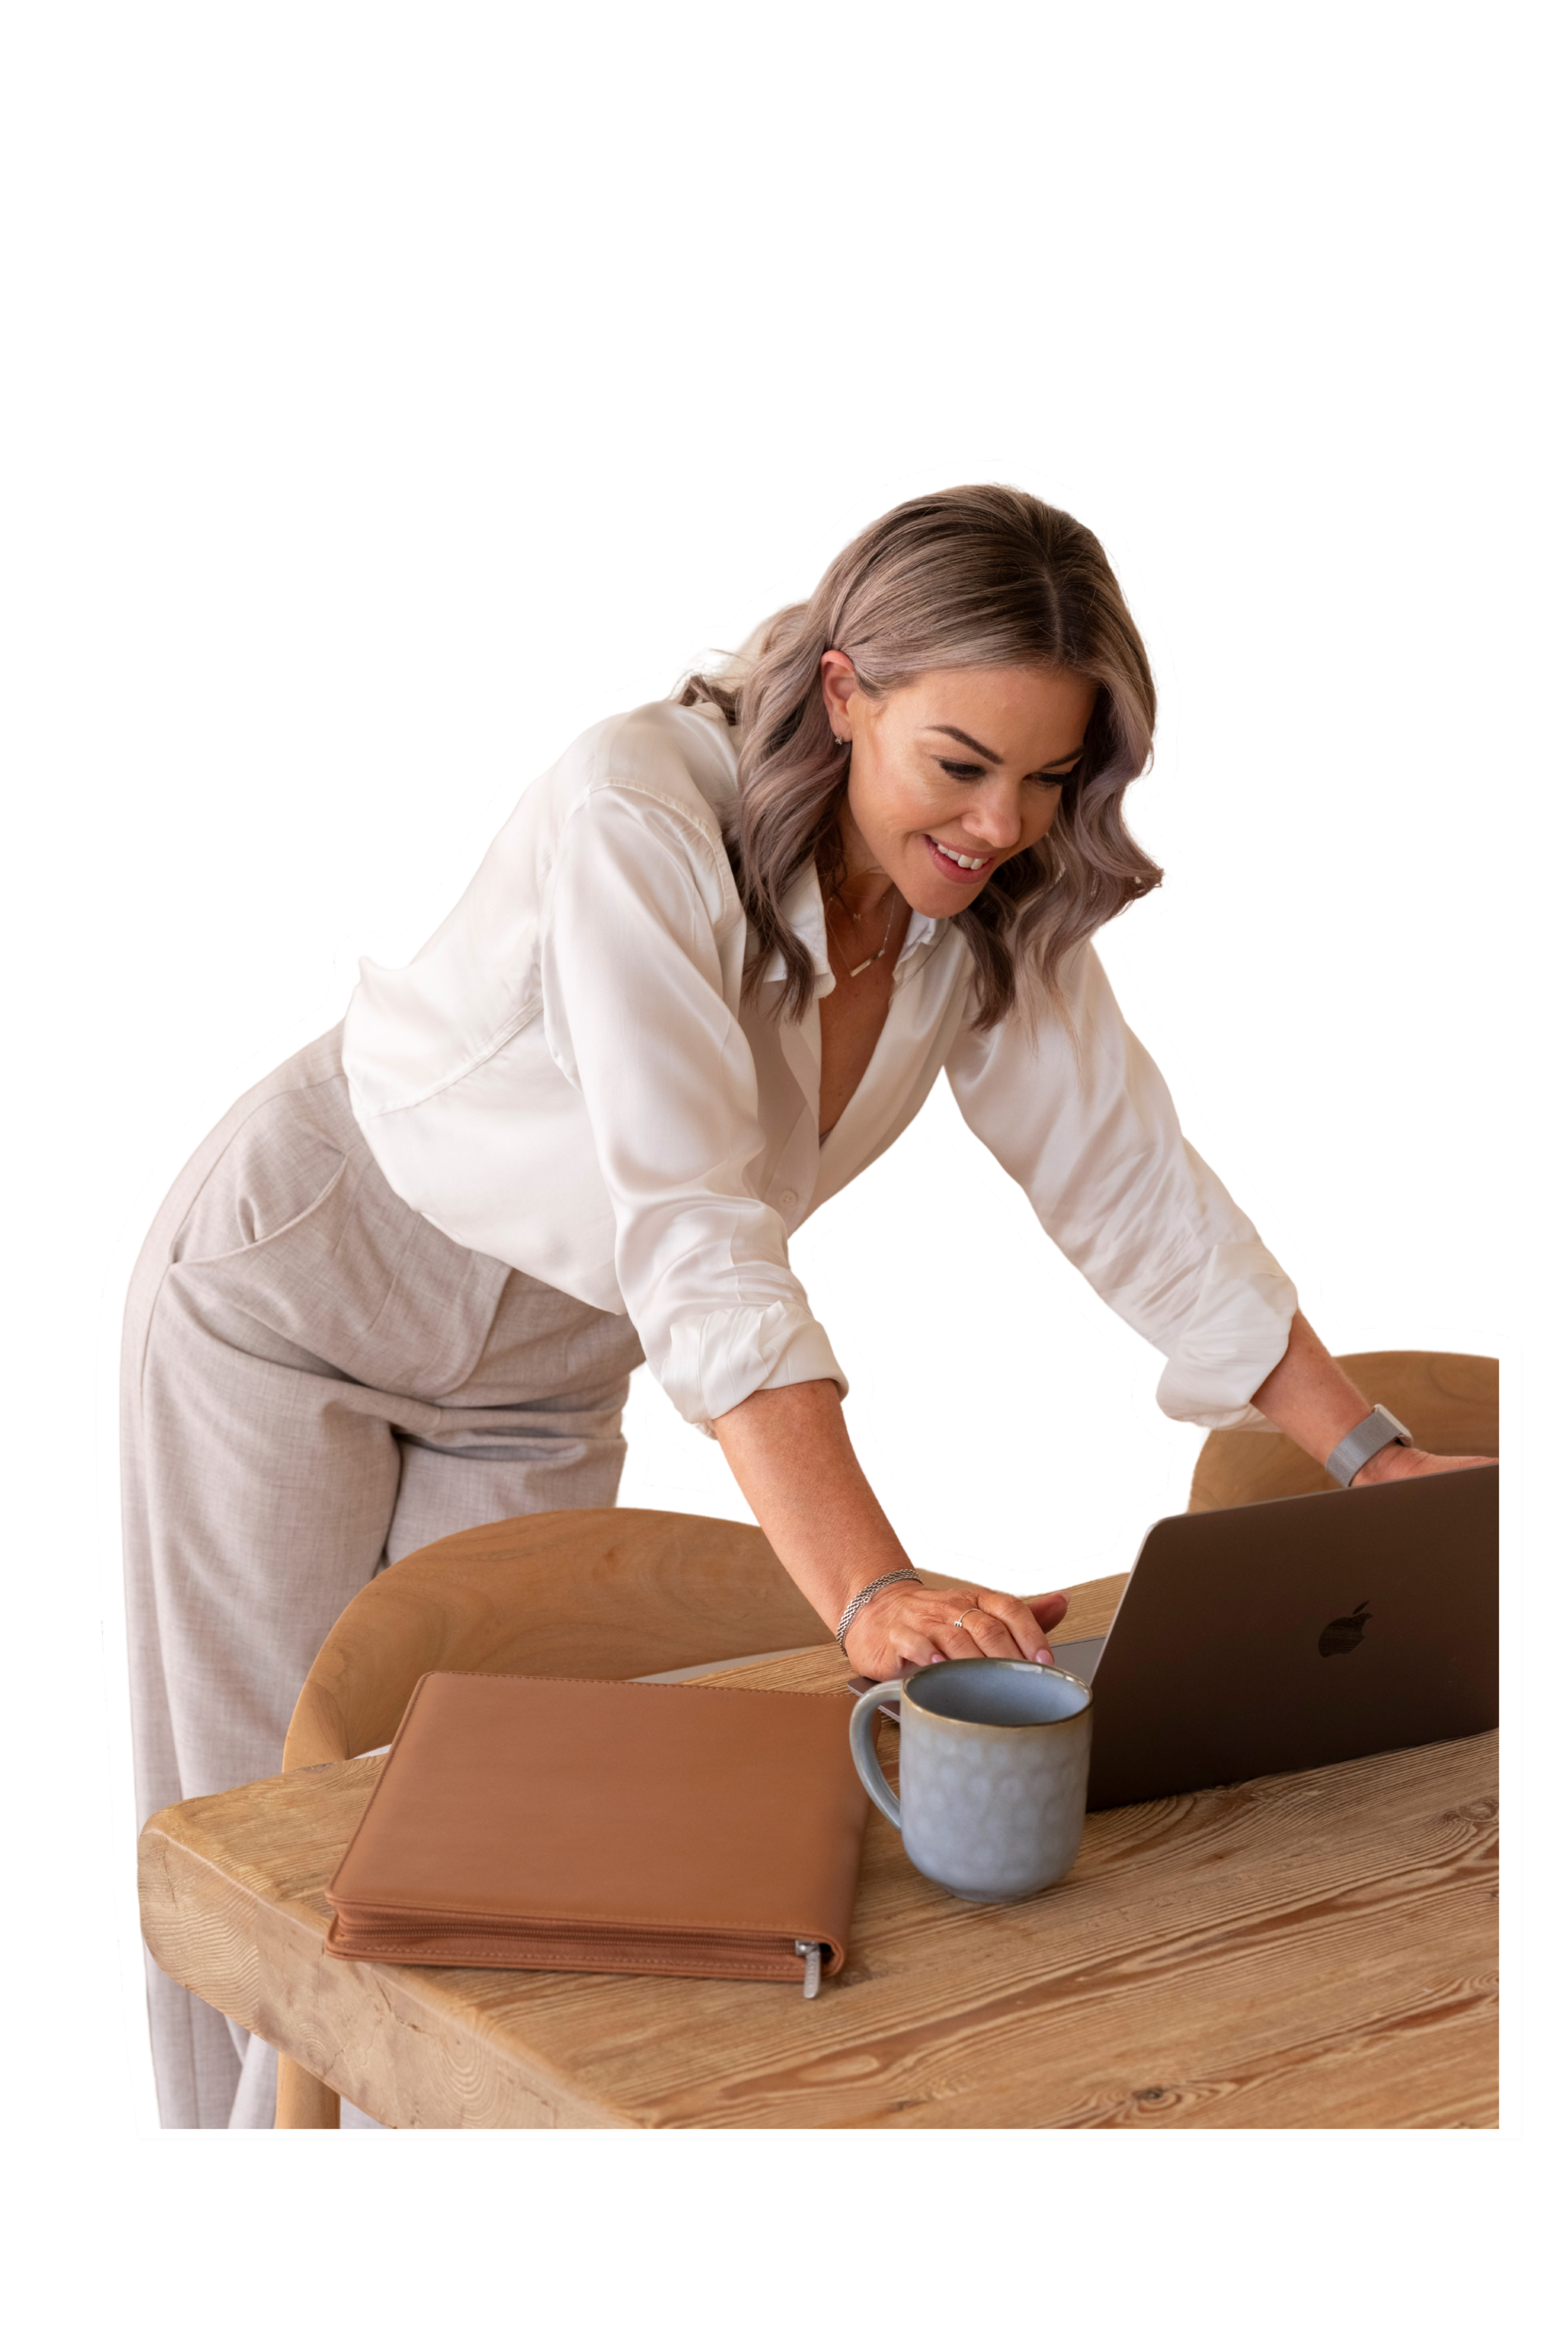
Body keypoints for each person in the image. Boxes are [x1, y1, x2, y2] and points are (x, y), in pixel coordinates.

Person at [119, 484, 1491, 2125]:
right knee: (259, 1830)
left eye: (1048, 779)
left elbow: (1127, 1173)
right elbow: (698, 1225)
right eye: (963, 765)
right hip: (296, 1280)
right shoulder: (628, 798)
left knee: (456, 1845)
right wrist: (866, 1590)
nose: (1000, 825)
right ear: (845, 688)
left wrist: (1365, 1461)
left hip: (550, 1354)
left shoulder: (982, 895)